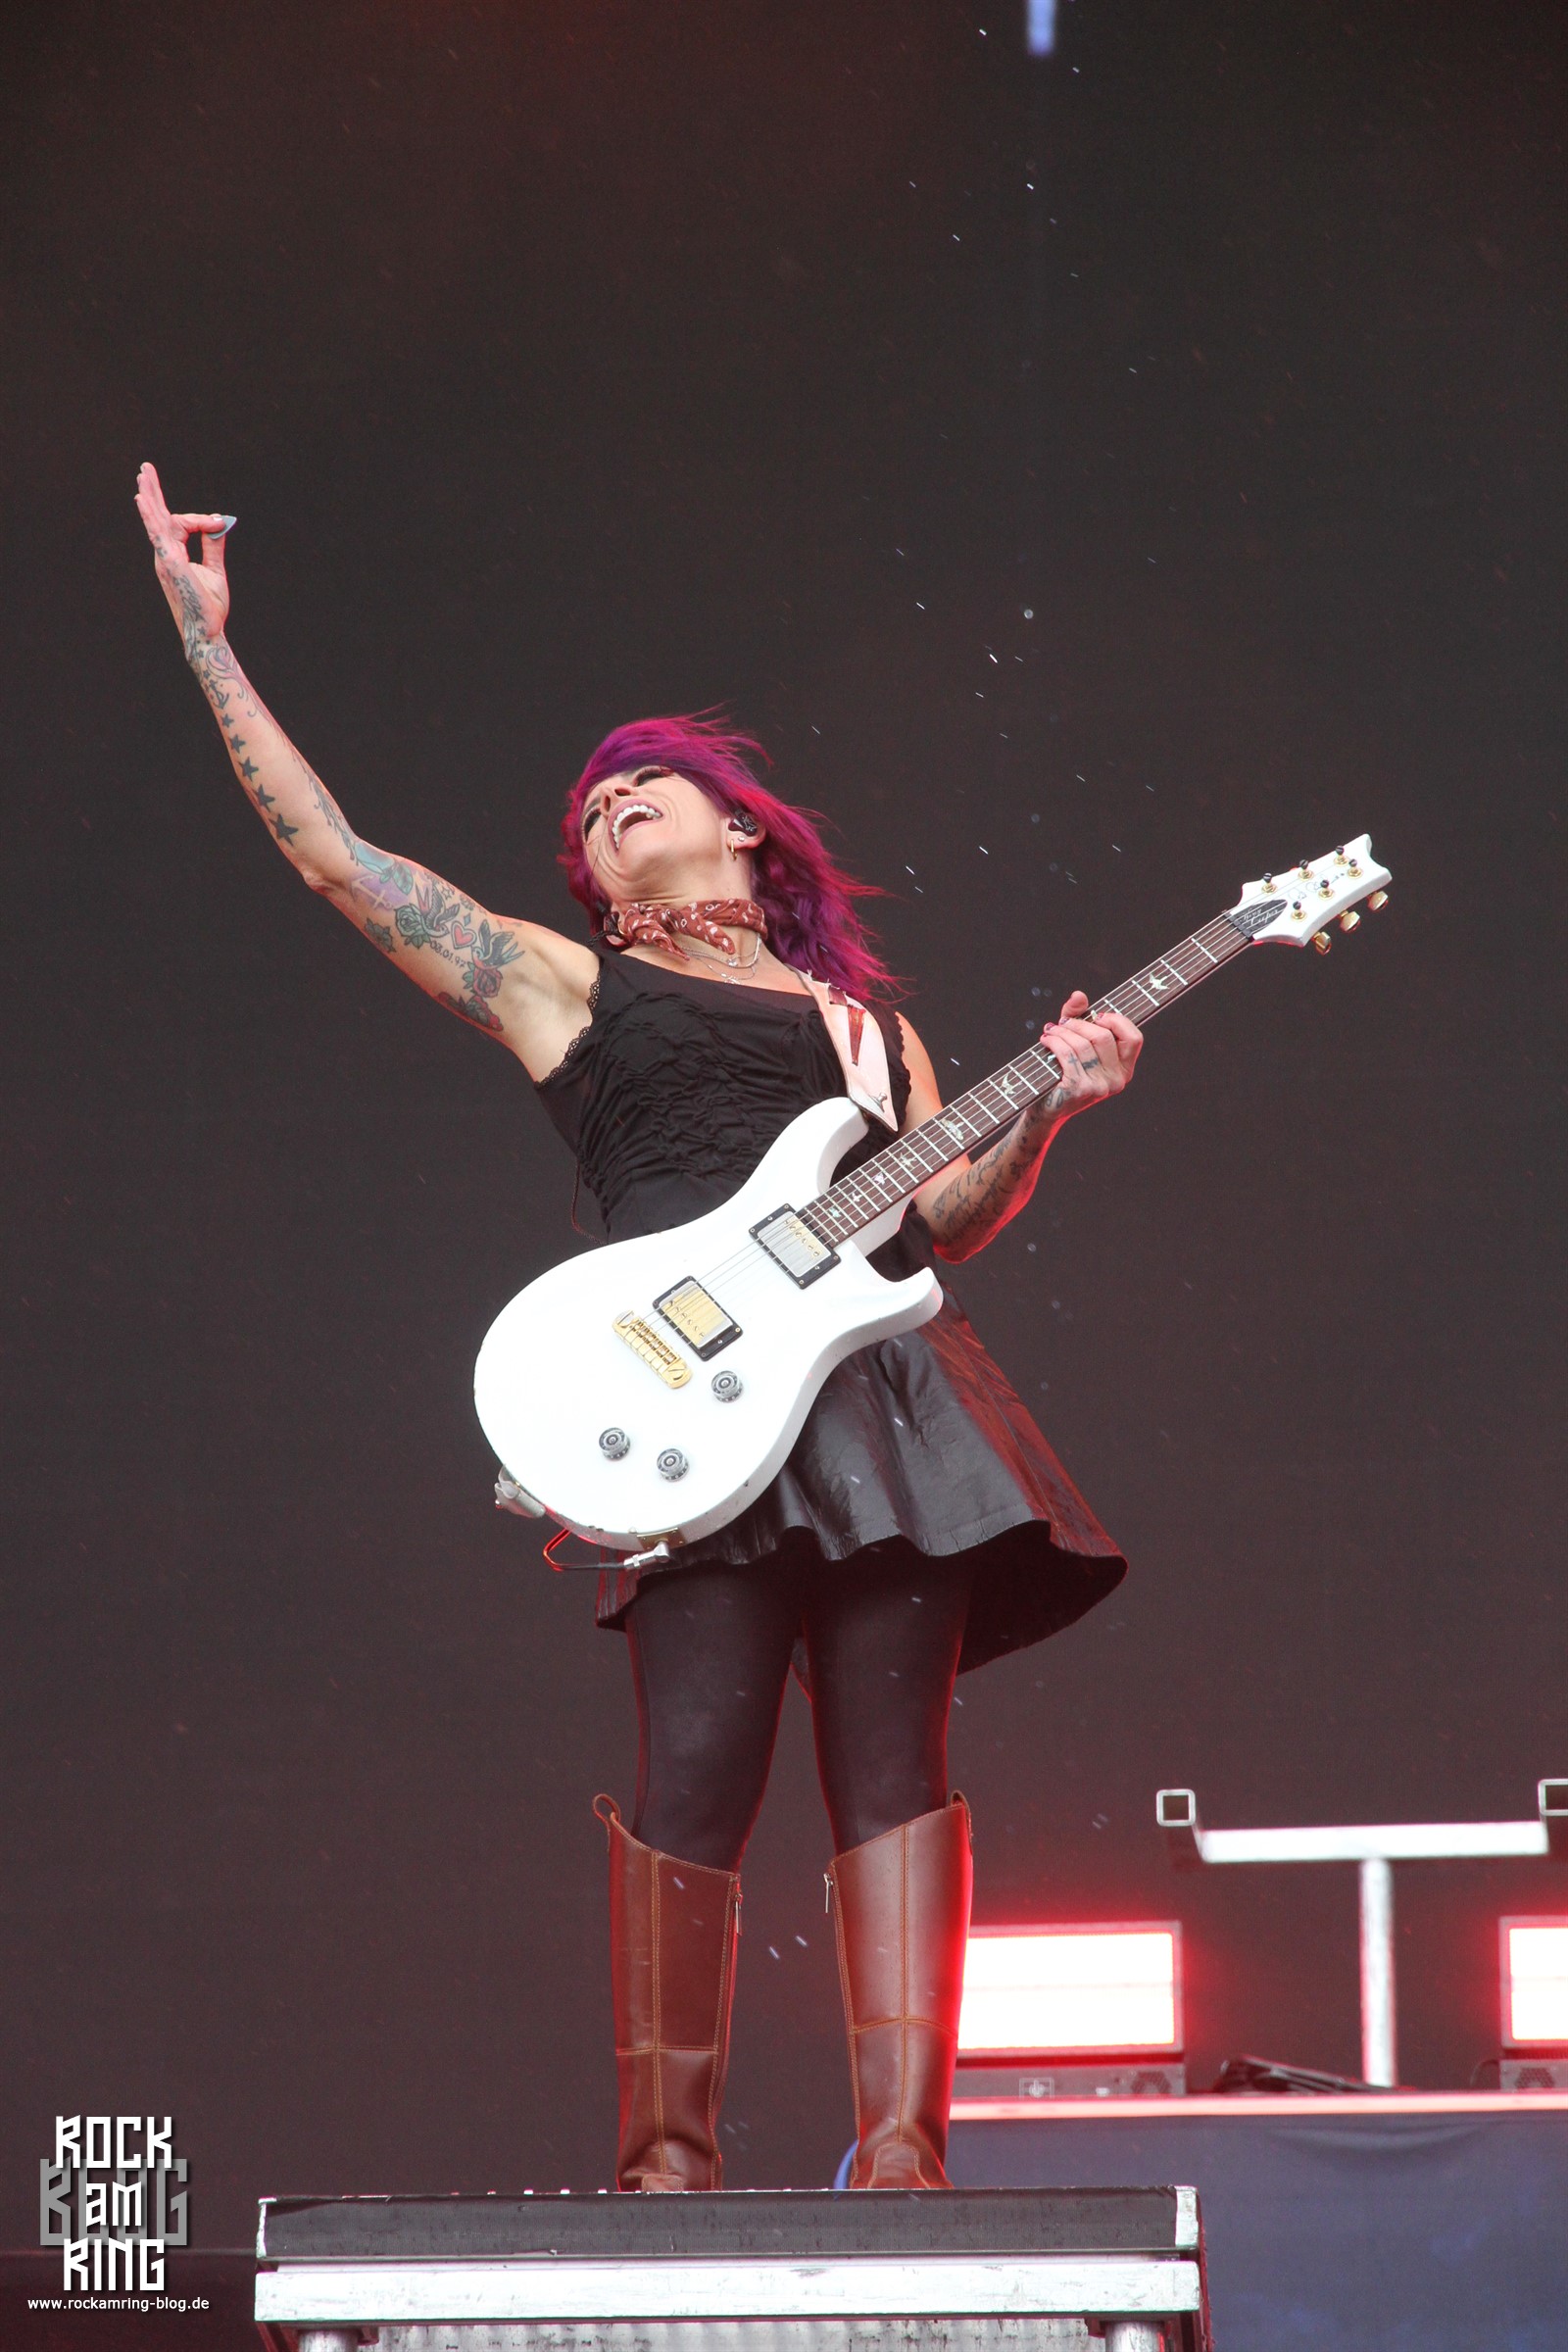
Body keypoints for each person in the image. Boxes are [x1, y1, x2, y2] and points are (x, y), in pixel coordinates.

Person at [135, 463, 1142, 2195]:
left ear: (744, 832)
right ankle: (665, 2167)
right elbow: (337, 861)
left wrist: (1050, 1104)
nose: (607, 804)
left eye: (645, 787)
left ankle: (906, 2158)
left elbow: (945, 1218)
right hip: (689, 1400)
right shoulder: (571, 982)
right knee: (696, 1766)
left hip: (885, 1402)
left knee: (896, 1765)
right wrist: (208, 643)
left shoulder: (865, 1029)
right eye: (590, 805)